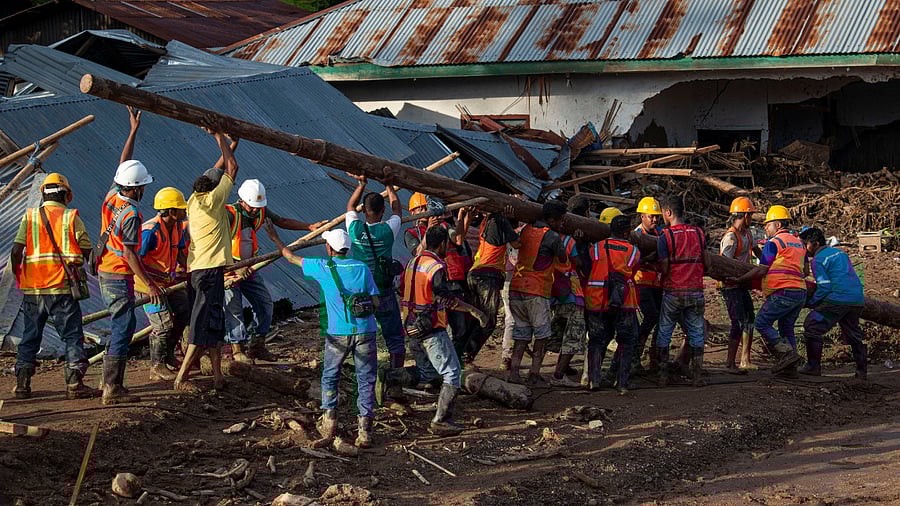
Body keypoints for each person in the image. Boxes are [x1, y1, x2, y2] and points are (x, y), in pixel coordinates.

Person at [267, 222, 380, 447]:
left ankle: (329, 422)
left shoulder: (323, 267)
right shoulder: (362, 267)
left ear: (329, 248)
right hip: (366, 330)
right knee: (366, 379)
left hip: (338, 332)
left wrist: (275, 238)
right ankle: (365, 431)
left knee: (330, 375)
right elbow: (375, 300)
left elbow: (290, 257)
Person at [380, 226, 488, 436]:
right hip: (429, 328)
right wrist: (475, 312)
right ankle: (441, 420)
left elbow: (402, 289)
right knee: (452, 373)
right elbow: (446, 299)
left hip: (410, 325)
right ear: (442, 245)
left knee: (427, 372)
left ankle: (390, 376)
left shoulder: (413, 262)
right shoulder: (436, 267)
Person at [11, 173, 98, 399]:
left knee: (30, 335)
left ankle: (22, 385)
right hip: (63, 288)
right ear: (66, 195)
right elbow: (89, 253)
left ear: (43, 194)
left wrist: (19, 275)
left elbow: (16, 251)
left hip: (34, 289)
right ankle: (74, 384)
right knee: (71, 335)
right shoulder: (71, 218)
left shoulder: (30, 217)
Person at [97, 106, 162, 405]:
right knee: (124, 325)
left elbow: (123, 164)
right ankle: (112, 387)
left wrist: (133, 131)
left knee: (119, 322)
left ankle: (106, 380)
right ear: (136, 190)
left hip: (104, 269)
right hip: (117, 271)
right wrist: (149, 284)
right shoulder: (133, 214)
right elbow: (130, 253)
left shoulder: (113, 195)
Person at [224, 178, 327, 363]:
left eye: (258, 206)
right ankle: (237, 349)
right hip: (230, 269)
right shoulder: (230, 214)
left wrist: (309, 226)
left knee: (264, 304)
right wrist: (236, 268)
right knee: (234, 308)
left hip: (251, 267)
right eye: (252, 206)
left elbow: (282, 221)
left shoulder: (260, 211)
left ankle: (257, 345)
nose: (255, 210)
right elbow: (217, 244)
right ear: (242, 200)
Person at [173, 128, 240, 392]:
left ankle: (217, 377)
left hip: (200, 271)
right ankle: (182, 378)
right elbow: (231, 167)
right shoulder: (213, 201)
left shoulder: (194, 200)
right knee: (201, 326)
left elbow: (218, 167)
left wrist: (228, 143)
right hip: (208, 271)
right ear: (215, 189)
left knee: (213, 323)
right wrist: (218, 137)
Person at [728, 205, 807, 378]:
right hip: (800, 292)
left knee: (762, 322)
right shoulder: (799, 242)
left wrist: (741, 280)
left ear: (777, 225)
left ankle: (786, 353)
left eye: (768, 224)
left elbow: (761, 269)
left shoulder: (774, 243)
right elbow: (806, 271)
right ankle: (790, 369)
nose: (765, 227)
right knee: (787, 328)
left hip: (782, 292)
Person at [404, 193, 476, 361]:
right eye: (420, 209)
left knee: (460, 328)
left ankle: (455, 362)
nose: (424, 211)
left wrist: (465, 219)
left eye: (425, 208)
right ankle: (438, 365)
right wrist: (429, 228)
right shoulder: (411, 232)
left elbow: (458, 239)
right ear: (413, 212)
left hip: (451, 281)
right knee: (436, 327)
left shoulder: (444, 226)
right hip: (430, 286)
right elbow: (418, 253)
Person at [345, 175, 405, 369]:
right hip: (383, 289)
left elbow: (350, 207)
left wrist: (361, 184)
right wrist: (389, 185)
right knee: (394, 335)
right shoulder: (388, 230)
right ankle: (396, 373)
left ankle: (364, 370)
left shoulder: (354, 228)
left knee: (363, 334)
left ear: (364, 210)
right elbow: (397, 209)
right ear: (382, 211)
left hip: (361, 290)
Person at [507, 201, 568, 385]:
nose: (562, 224)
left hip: (516, 286)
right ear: (551, 219)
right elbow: (563, 257)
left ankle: (514, 373)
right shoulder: (551, 236)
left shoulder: (526, 229)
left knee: (521, 333)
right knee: (542, 334)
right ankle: (534, 373)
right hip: (536, 289)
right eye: (560, 220)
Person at [656, 196, 711, 387]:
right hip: (695, 290)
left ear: (668, 213)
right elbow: (708, 263)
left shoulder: (666, 236)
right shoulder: (698, 233)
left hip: (673, 291)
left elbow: (663, 268)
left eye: (662, 212)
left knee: (664, 332)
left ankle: (662, 376)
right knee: (696, 333)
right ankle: (697, 377)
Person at [798, 228, 867, 379]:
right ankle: (862, 371)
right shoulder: (840, 252)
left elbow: (824, 286)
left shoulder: (818, 260)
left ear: (815, 244)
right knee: (853, 334)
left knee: (812, 325)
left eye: (805, 244)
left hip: (837, 299)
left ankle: (813, 366)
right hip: (856, 299)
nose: (803, 248)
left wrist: (811, 302)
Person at [137, 187, 190, 382]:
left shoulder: (177, 227)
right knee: (162, 323)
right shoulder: (149, 231)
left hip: (168, 282)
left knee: (185, 309)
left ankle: (168, 354)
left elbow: (181, 254)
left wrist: (191, 270)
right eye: (181, 209)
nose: (184, 212)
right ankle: (156, 366)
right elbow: (136, 261)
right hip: (146, 286)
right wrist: (150, 284)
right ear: (171, 211)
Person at [584, 215, 641, 394]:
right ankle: (622, 383)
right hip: (623, 302)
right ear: (627, 232)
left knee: (596, 340)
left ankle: (594, 380)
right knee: (627, 341)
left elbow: (588, 266)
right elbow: (633, 271)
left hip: (597, 300)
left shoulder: (596, 247)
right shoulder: (633, 251)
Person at [464, 204, 520, 363]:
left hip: (475, 272)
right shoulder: (499, 219)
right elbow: (517, 243)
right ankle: (467, 356)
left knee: (476, 318)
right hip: (488, 275)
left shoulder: (487, 220)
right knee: (489, 321)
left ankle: (462, 354)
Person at [719, 197, 761, 370]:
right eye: (750, 215)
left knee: (749, 319)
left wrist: (769, 263)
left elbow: (757, 251)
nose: (751, 218)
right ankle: (730, 362)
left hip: (742, 283)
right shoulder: (730, 237)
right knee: (737, 321)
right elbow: (724, 263)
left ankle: (745, 359)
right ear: (744, 216)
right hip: (730, 285)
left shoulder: (747, 234)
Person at [632, 196, 664, 373]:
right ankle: (636, 356)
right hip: (641, 282)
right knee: (651, 316)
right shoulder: (637, 235)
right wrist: (647, 259)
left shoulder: (659, 233)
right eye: (650, 216)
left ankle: (654, 359)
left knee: (659, 318)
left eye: (656, 216)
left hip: (657, 283)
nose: (654, 219)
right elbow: (631, 260)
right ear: (641, 216)